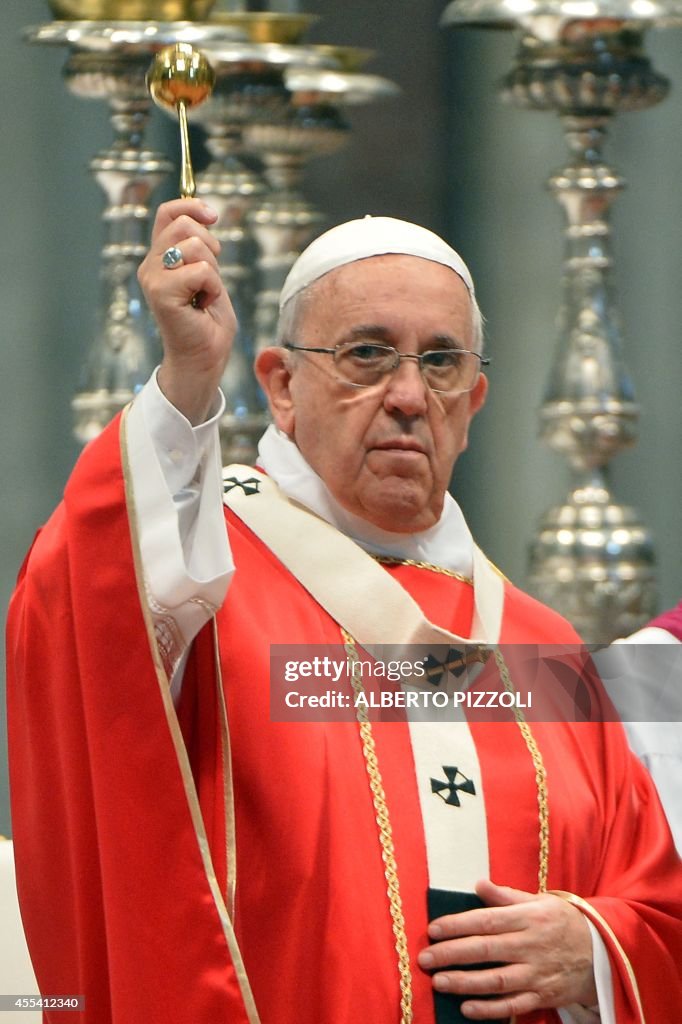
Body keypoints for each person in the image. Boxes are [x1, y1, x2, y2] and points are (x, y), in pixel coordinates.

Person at [7, 198, 682, 1024]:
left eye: (441, 363)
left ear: (473, 404)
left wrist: (595, 952)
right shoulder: (201, 583)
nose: (407, 395)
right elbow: (80, 609)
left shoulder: (541, 649)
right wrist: (184, 382)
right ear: (282, 386)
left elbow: (656, 908)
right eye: (367, 354)